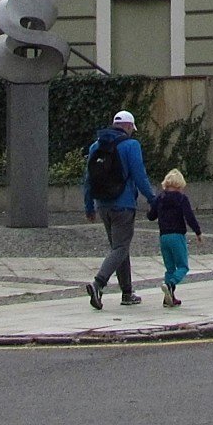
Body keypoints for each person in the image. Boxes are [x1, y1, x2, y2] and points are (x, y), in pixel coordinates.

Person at [83, 109, 156, 309]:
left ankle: (127, 293)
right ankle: (98, 284)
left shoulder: (96, 146)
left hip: (102, 205)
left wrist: (89, 206)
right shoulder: (131, 145)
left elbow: (88, 179)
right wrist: (152, 198)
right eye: (132, 128)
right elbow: (139, 175)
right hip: (123, 205)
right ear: (128, 126)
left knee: (119, 248)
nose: (133, 131)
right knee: (120, 248)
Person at [154, 168, 203, 307]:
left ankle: (169, 298)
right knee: (182, 266)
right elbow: (189, 217)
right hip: (177, 236)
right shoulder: (182, 199)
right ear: (180, 185)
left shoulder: (160, 198)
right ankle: (170, 284)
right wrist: (198, 232)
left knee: (169, 268)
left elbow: (150, 215)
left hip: (163, 237)